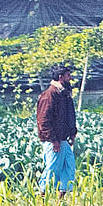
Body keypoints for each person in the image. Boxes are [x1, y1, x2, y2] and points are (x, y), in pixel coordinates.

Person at [36, 64, 77, 197]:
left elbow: (69, 116)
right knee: (52, 170)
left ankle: (61, 201)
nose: (70, 78)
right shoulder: (49, 95)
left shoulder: (64, 94)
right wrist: (53, 140)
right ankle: (42, 200)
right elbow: (43, 121)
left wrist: (72, 133)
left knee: (68, 168)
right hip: (53, 141)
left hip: (64, 140)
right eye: (68, 76)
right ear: (61, 77)